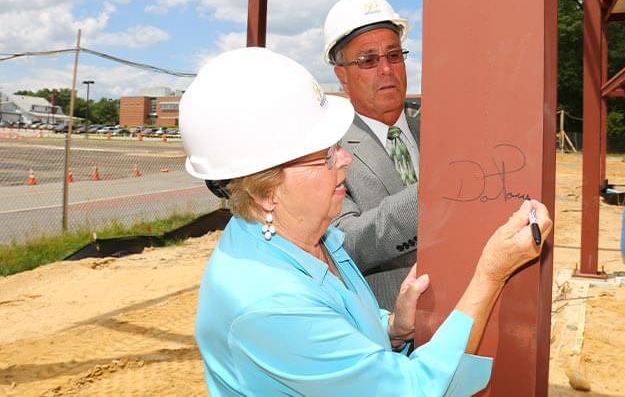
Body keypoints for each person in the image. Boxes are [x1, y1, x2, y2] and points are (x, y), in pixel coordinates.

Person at [184, 47, 552, 396]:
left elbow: (338, 322)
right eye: (325, 157)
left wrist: (393, 328)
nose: (345, 159)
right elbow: (414, 390)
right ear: (265, 191)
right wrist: (491, 273)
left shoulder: (306, 237)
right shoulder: (269, 306)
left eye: (337, 146)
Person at [323, 0, 420, 310]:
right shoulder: (328, 153)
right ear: (342, 76)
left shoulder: (445, 135)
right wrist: (434, 194)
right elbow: (344, 243)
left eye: (394, 55)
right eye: (368, 60)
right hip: (385, 327)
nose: (387, 69)